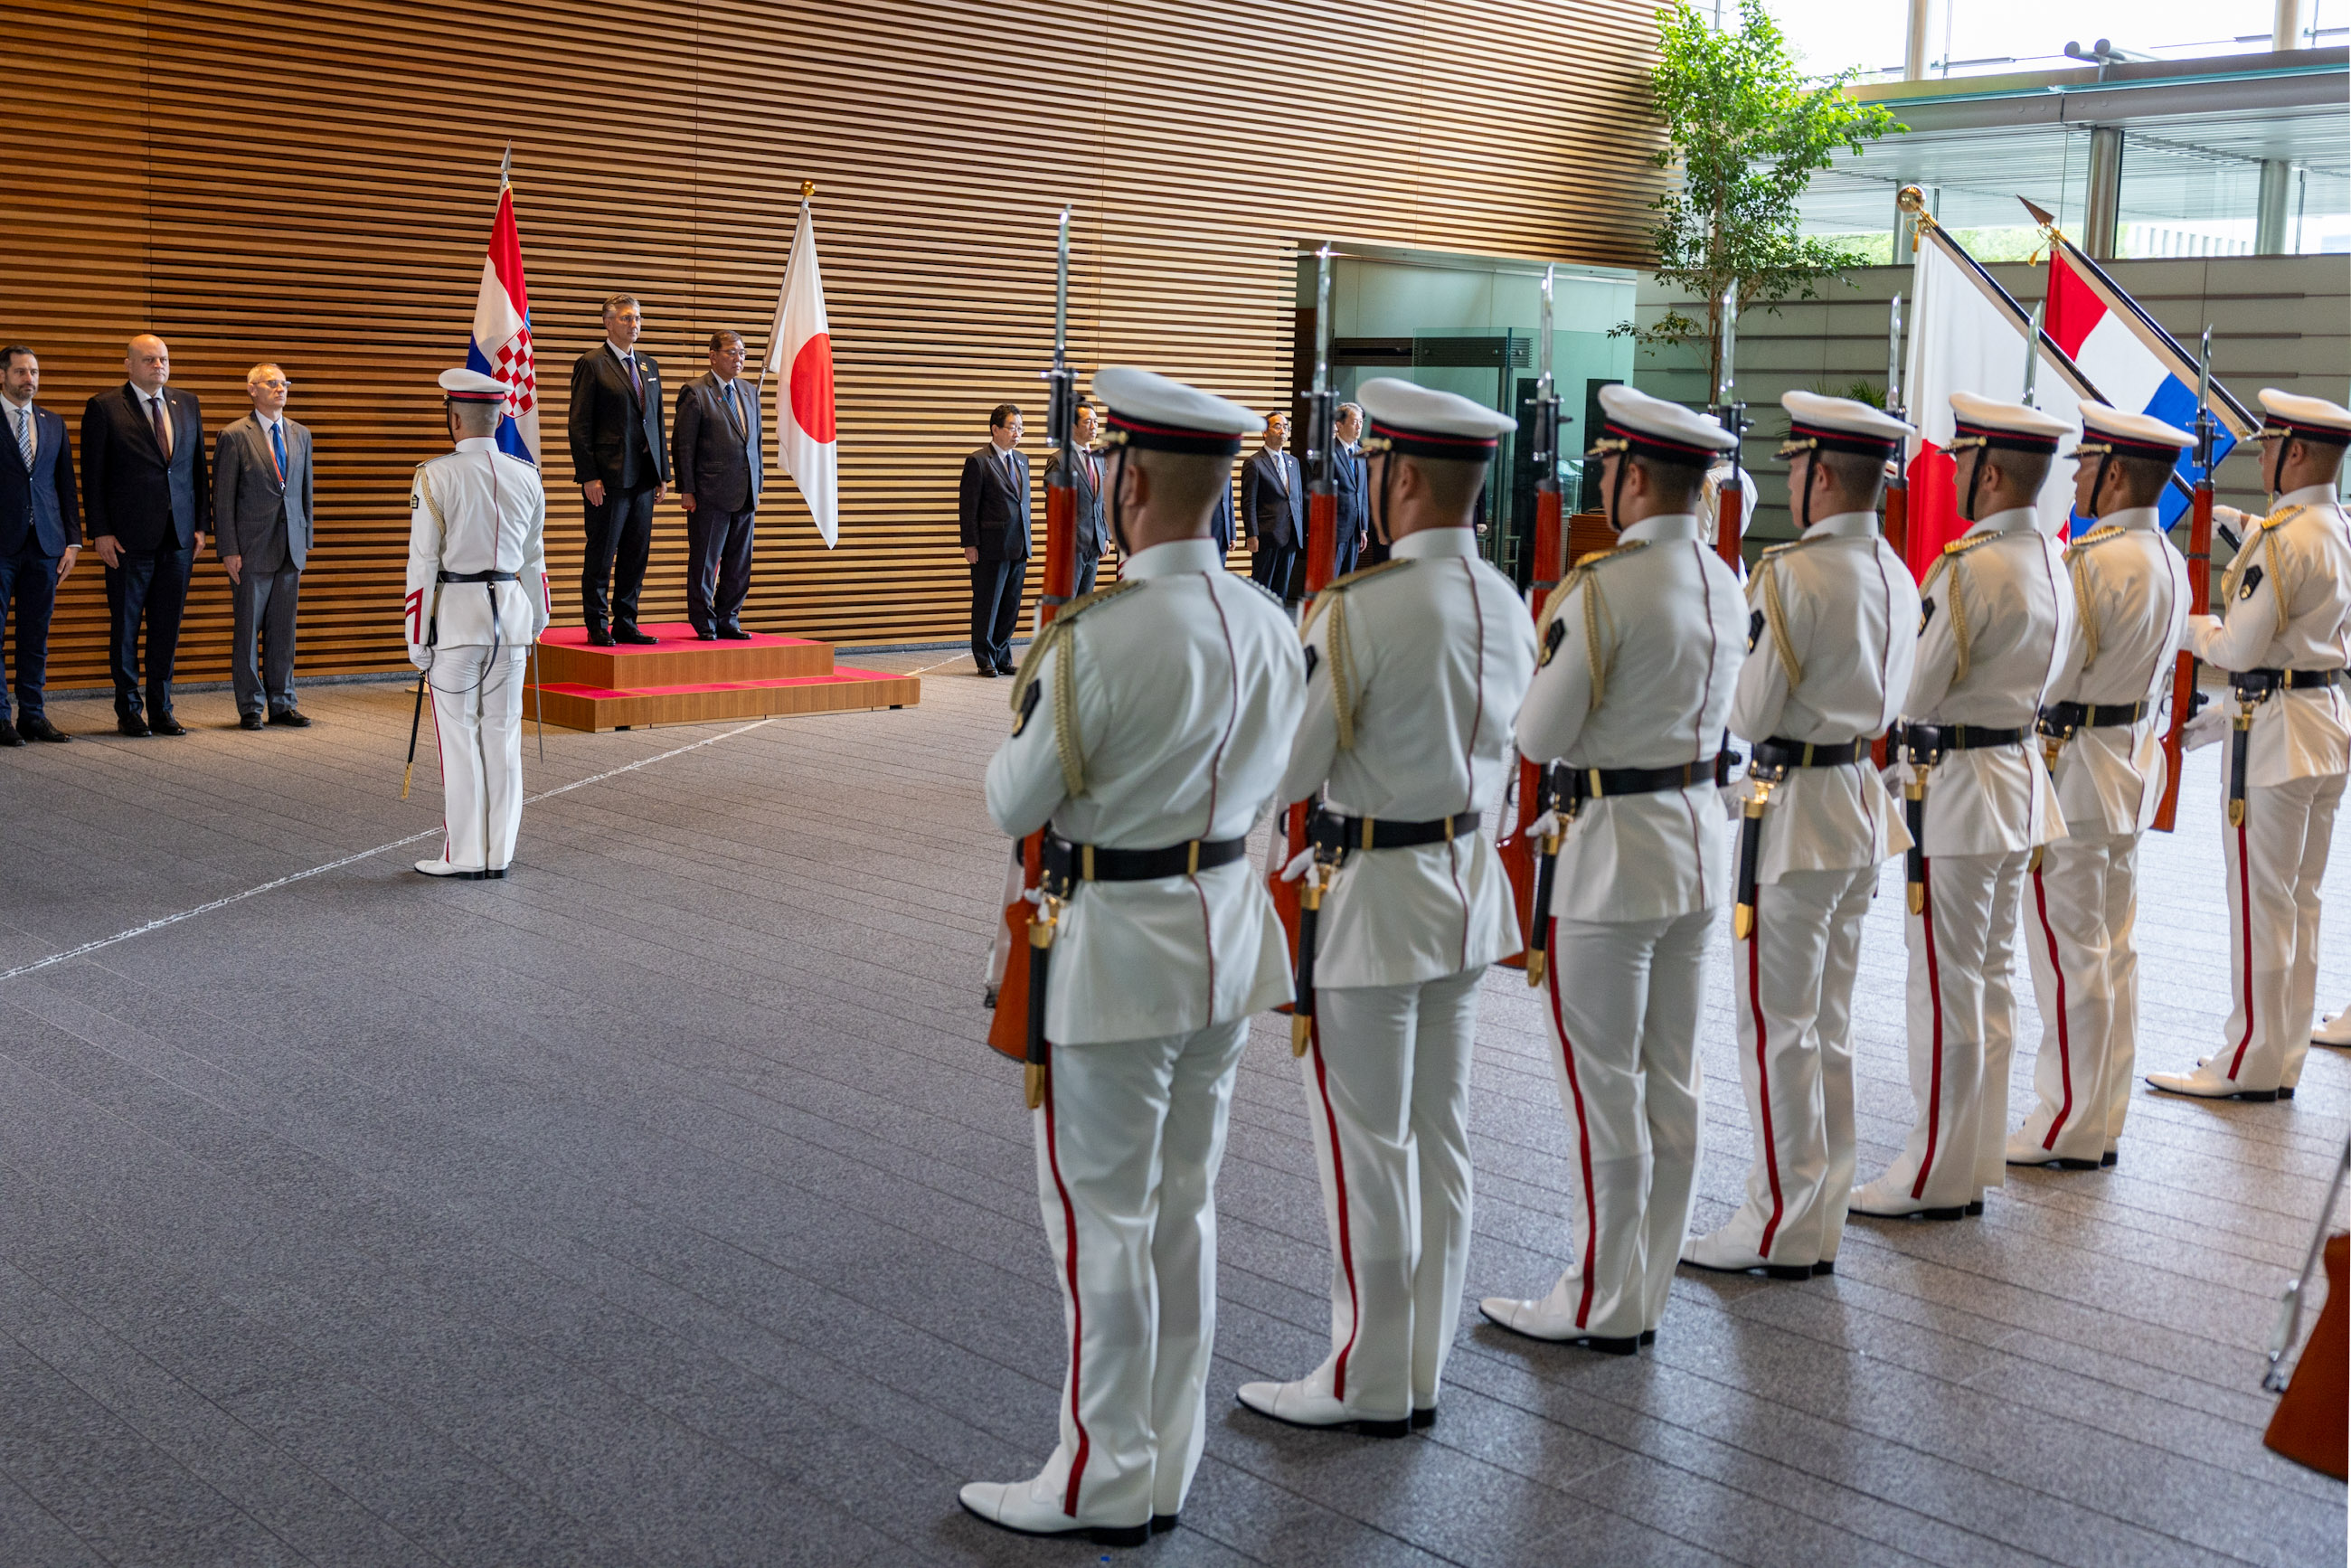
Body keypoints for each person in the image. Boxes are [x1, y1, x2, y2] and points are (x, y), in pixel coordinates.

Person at [962, 366, 1303, 1546]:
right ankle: (1164, 1459)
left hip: (1112, 960)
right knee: (1182, 1209)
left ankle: (1098, 1474)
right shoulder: (1273, 624)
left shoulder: (1092, 637)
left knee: (1099, 1219)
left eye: (1110, 467)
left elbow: (1013, 795)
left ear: (1133, 483)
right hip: (1226, 939)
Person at [1239, 378, 1534, 1436]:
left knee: (1365, 1143)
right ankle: (1418, 1363)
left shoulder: (1356, 612)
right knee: (1437, 1135)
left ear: (1400, 478)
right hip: (1465, 895)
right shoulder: (1509, 602)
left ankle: (1364, 1373)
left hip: (1373, 902)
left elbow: (1290, 764)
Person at [1479, 384, 1742, 1354]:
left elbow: (1538, 732)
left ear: (1633, 476)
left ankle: (1592, 1295)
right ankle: (1642, 1291)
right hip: (1693, 851)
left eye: (1607, 470)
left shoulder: (1603, 586)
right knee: (1671, 1078)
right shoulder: (1721, 578)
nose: (1603, 484)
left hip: (1610, 861)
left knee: (1601, 1086)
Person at [1681, 391, 1919, 1281]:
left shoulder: (1787, 575)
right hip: (1856, 806)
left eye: (1792, 463)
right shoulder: (1895, 570)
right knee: (1825, 1025)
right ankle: (1814, 1213)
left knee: (1775, 1029)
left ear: (1820, 472)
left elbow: (1747, 708)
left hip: (1790, 814)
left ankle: (1775, 1218)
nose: (1788, 476)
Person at [1851, 394, 2072, 1222]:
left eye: (1962, 462)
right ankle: (1972, 1158)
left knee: (1943, 988)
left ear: (1987, 470)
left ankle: (1931, 1170)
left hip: (1959, 794)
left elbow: (1913, 689)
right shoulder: (2051, 559)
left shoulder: (1969, 567)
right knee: (1988, 982)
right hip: (2016, 789)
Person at [2147, 389, 2351, 1102]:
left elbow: (2236, 647)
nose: (2261, 453)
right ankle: (2281, 1054)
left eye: (2268, 443)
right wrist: (2245, 528)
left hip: (2276, 733)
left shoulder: (2283, 538)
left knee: (2260, 904)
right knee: (2301, 901)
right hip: (2326, 722)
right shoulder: (2336, 525)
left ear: (2295, 451)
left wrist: (2186, 622)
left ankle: (2247, 1061)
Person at [2006, 404, 2190, 1166]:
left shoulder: (2092, 564)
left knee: (2068, 954)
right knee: (2112, 951)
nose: (2075, 476)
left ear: (2114, 473)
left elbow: (2051, 675)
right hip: (2131, 767)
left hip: (2077, 774)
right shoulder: (2167, 558)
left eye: (2085, 465)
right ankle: (2101, 1116)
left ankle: (2066, 1122)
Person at [407, 370, 550, 880]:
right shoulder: (526, 473)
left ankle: (464, 854)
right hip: (511, 620)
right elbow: (535, 560)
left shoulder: (434, 475)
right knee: (503, 736)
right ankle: (499, 855)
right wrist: (538, 620)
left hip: (458, 624)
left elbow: (423, 564)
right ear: (499, 418)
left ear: (453, 418)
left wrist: (417, 638)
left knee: (461, 739)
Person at [80, 334, 205, 736]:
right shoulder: (103, 407)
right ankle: (129, 710)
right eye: (149, 360)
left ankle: (162, 707)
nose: (159, 366)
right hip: (128, 539)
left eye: (164, 359)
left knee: (167, 627)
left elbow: (197, 470)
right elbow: (93, 477)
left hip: (179, 537)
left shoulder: (186, 403)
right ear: (129, 365)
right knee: (127, 628)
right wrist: (99, 531)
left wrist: (201, 524)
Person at [212, 363, 315, 729]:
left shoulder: (301, 434)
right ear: (252, 389)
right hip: (250, 550)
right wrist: (228, 549)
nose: (280, 388)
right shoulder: (235, 435)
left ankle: (283, 703)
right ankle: (251, 706)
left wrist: (306, 539)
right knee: (247, 632)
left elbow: (305, 492)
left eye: (284, 382)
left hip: (291, 548)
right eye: (271, 383)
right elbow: (222, 499)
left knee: (283, 631)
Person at [566, 294, 667, 646]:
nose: (634, 324)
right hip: (607, 477)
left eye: (637, 318)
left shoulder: (649, 366)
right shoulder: (592, 364)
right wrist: (588, 475)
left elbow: (656, 422)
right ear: (607, 323)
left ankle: (626, 620)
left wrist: (662, 474)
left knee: (636, 554)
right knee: (602, 552)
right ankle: (597, 624)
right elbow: (579, 425)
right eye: (625, 318)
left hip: (642, 476)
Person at [0, 346, 78, 746]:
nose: (28, 379)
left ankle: (32, 714)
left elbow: (64, 484)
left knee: (35, 635)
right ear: (3, 376)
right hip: (1, 547)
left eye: (33, 372)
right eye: (20, 372)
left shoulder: (52, 422)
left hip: (45, 545)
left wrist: (73, 542)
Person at [672, 330, 761, 640]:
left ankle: (729, 619)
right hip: (709, 493)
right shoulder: (696, 392)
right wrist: (687, 489)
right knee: (706, 562)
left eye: (742, 353)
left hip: (745, 491)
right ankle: (704, 621)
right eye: (731, 353)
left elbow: (756, 444)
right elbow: (683, 445)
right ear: (713, 355)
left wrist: (757, 483)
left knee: (739, 564)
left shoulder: (750, 391)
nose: (739, 359)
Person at [958, 402, 1030, 675]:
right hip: (989, 547)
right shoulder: (979, 461)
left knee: (1010, 605)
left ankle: (1003, 655)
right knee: (987, 603)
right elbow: (968, 506)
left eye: (1020, 429)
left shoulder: (1022, 460)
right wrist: (970, 543)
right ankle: (984, 658)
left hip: (1019, 544)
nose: (1017, 434)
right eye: (1012, 428)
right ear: (995, 429)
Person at [1046, 402, 1109, 596]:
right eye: (1088, 422)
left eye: (1096, 422)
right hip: (1071, 546)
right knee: (1067, 605)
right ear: (1072, 427)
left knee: (1084, 605)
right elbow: (1054, 508)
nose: (1094, 427)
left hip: (1095, 543)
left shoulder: (1100, 459)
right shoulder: (1059, 460)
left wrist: (1105, 534)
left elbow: (1102, 500)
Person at [1243, 411, 1304, 601]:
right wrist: (1251, 535)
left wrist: (1303, 530)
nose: (1283, 431)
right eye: (1277, 426)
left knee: (1282, 590)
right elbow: (1248, 502)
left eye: (1286, 427)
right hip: (1267, 536)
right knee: (1261, 589)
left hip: (1291, 535)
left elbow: (1297, 500)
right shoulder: (1254, 463)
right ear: (1264, 432)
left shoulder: (1293, 462)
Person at [1331, 401, 1367, 576]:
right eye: (1354, 422)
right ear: (1339, 424)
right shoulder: (1329, 453)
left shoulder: (1361, 453)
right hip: (1334, 529)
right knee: (1330, 580)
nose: (1359, 427)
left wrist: (1363, 528)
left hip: (1354, 529)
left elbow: (1363, 493)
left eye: (1361, 422)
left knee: (1346, 581)